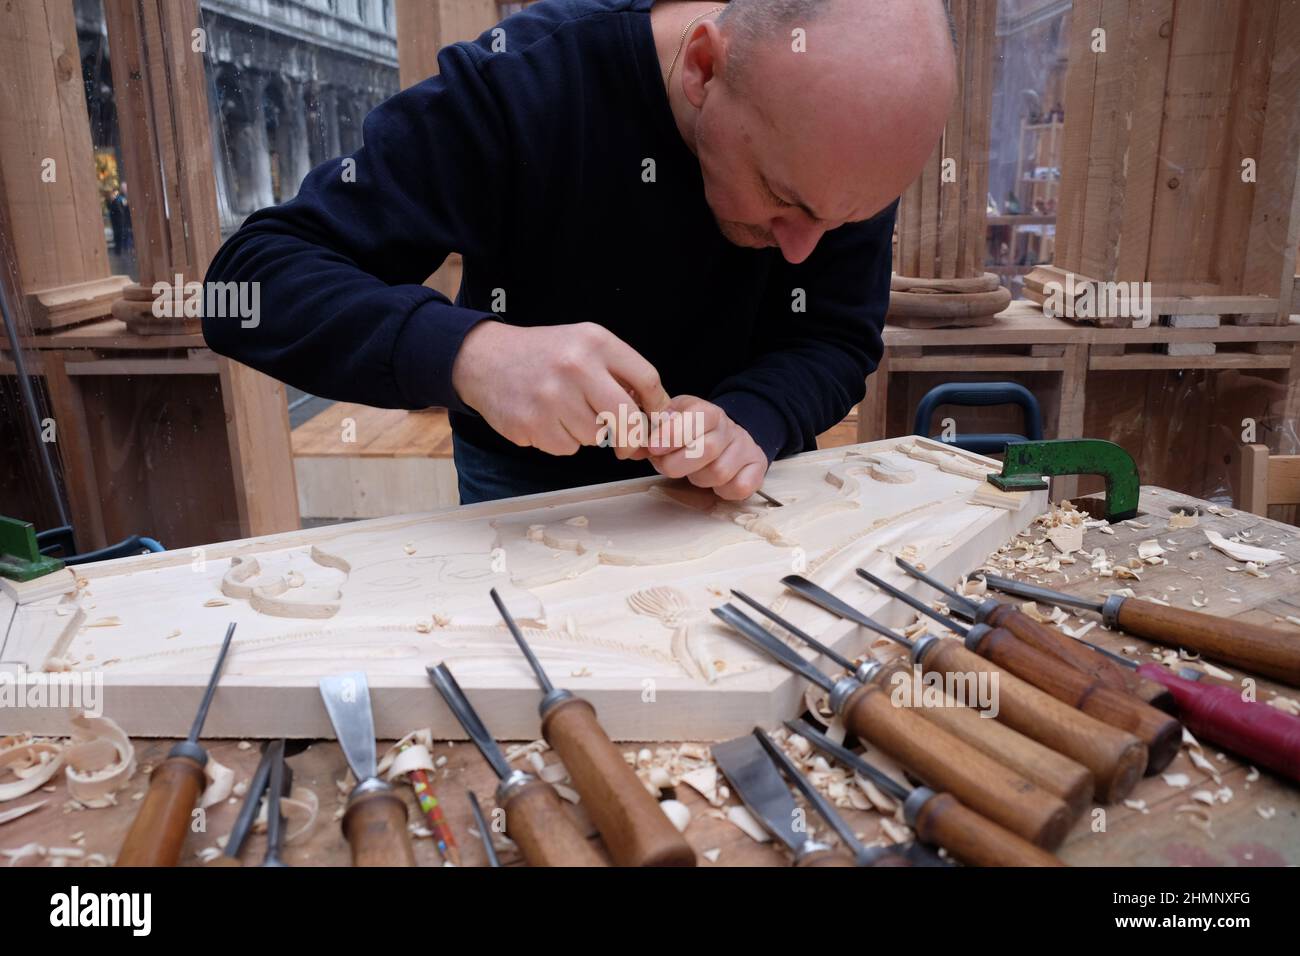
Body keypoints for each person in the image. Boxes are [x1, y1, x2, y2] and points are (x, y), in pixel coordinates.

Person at [203, 0, 955, 504]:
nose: (802, 253)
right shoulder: (523, 84)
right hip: (528, 494)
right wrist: (471, 354)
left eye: (843, 218)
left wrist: (754, 416)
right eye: (786, 199)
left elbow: (834, 333)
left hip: (739, 488)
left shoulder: (846, 141)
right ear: (702, 69)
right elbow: (252, 281)